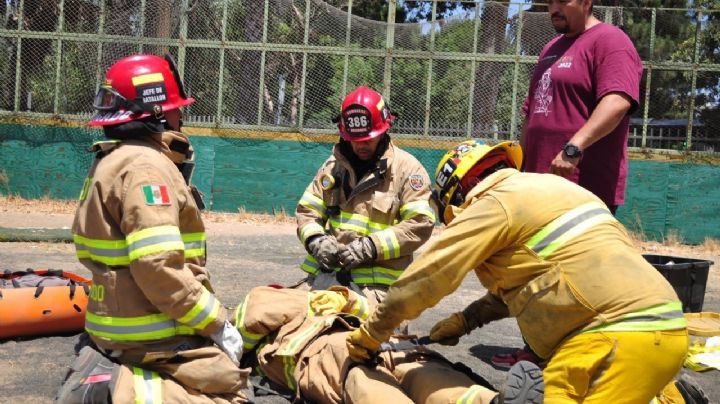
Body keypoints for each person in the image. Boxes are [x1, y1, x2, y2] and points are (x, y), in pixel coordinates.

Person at [346, 139, 689, 402]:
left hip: (609, 339)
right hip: (666, 332)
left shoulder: (492, 203)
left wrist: (372, 334)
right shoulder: (558, 190)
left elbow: (428, 276)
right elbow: (540, 280)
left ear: (458, 192)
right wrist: (467, 320)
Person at [56, 54, 250, 403]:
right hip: (150, 334)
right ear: (157, 113)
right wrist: (216, 322)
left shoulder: (112, 159)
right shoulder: (147, 167)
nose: (181, 117)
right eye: (175, 109)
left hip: (115, 323)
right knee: (232, 389)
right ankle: (124, 391)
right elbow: (157, 267)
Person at [234, 284, 545, 404]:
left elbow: (387, 306)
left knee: (384, 374)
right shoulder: (299, 296)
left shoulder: (313, 295)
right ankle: (487, 403)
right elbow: (385, 312)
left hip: (357, 342)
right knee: (400, 372)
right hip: (360, 341)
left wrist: (346, 298)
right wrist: (347, 300)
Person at [295, 86, 436, 305]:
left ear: (383, 131)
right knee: (274, 315)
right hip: (324, 280)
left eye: (368, 139)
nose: (361, 144)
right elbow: (308, 209)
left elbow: (420, 224)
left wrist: (371, 246)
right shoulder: (333, 167)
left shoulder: (408, 170)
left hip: (380, 292)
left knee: (343, 333)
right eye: (355, 139)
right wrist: (316, 240)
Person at [520, 0, 642, 216]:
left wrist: (573, 148)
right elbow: (531, 113)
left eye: (562, 2)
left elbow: (617, 100)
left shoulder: (610, 40)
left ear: (587, 2)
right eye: (550, 2)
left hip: (584, 191)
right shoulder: (550, 48)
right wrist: (517, 163)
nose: (554, 9)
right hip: (538, 188)